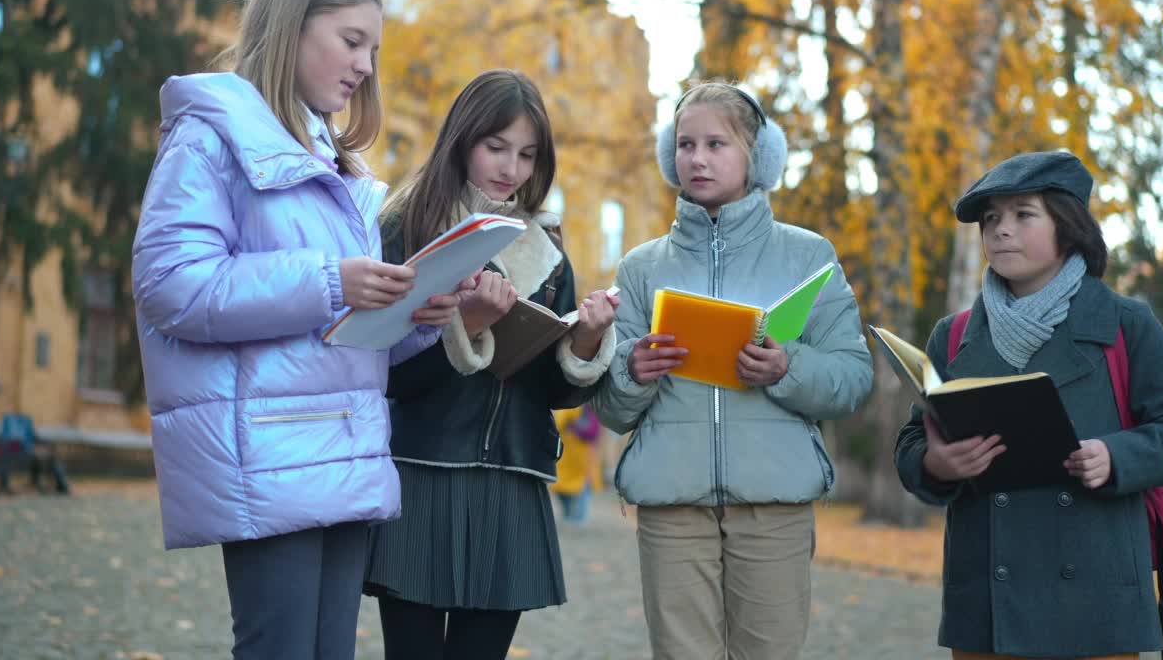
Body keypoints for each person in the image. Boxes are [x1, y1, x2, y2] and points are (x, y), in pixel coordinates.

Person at [131, 0, 462, 659]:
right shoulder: (210, 137)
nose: (366, 66)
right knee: (278, 647)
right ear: (290, 28)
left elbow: (343, 334)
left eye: (374, 48)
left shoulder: (341, 169)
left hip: (343, 444)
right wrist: (332, 280)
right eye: (351, 40)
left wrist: (418, 316)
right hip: (268, 447)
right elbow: (172, 286)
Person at [593, 81, 874, 660]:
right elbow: (611, 409)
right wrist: (632, 370)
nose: (697, 158)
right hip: (672, 510)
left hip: (774, 508)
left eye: (717, 143)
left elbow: (853, 376)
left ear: (758, 155)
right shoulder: (641, 268)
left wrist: (786, 367)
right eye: (685, 144)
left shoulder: (808, 256)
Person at [893, 151, 1163, 659]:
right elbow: (913, 440)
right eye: (991, 218)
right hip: (987, 607)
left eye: (1023, 214)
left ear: (1069, 226)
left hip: (1096, 599)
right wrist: (935, 463)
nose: (1000, 230)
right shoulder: (951, 337)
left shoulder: (1127, 324)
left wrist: (1117, 456)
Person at [363, 68, 619, 660]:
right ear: (462, 140)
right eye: (495, 147)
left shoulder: (547, 252)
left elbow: (552, 389)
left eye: (527, 154)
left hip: (512, 479)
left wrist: (587, 340)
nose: (511, 168)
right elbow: (387, 376)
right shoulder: (406, 229)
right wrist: (469, 325)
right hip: (422, 471)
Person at [552, 405, 603, 524]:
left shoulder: (589, 408)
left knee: (579, 502)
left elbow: (592, 431)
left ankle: (575, 520)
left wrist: (573, 425)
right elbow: (558, 425)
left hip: (583, 464)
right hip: (567, 462)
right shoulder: (567, 408)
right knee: (566, 497)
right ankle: (572, 519)